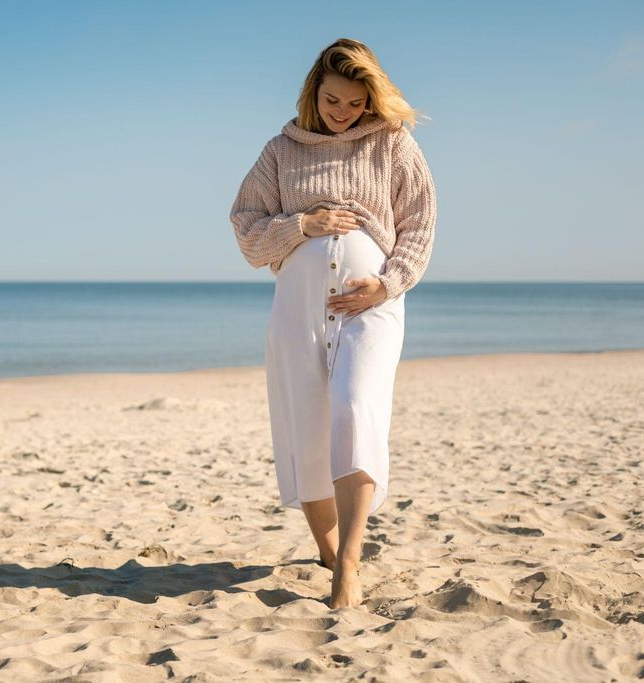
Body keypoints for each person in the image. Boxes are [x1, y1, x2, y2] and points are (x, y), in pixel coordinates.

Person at [229, 38, 437, 609]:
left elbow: (419, 226)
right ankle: (325, 549)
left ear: (372, 98)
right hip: (296, 309)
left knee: (353, 406)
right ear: (312, 92)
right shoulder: (280, 151)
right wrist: (304, 222)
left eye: (354, 102)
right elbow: (247, 228)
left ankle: (349, 563)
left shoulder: (394, 144)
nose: (342, 112)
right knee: (307, 427)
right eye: (331, 100)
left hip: (370, 306)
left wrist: (387, 284)